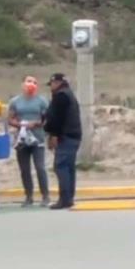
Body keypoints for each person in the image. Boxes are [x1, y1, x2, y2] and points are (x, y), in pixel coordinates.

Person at [9, 76, 50, 208]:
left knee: (40, 168)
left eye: (34, 82)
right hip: (21, 139)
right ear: (23, 84)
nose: (31, 84)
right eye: (28, 81)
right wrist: (20, 124)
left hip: (38, 138)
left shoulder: (42, 101)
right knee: (24, 169)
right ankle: (29, 196)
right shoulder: (15, 101)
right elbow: (10, 118)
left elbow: (46, 118)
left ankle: (45, 196)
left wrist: (36, 123)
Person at [44, 73, 82, 210]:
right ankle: (69, 198)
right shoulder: (69, 94)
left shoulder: (61, 96)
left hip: (66, 136)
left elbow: (57, 118)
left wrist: (53, 135)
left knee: (61, 166)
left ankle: (64, 199)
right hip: (74, 135)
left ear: (58, 82)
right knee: (69, 168)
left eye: (52, 84)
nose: (51, 87)